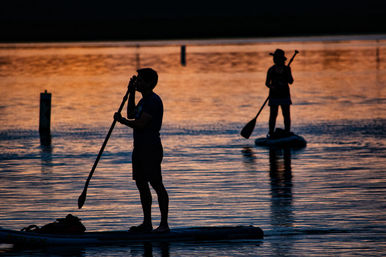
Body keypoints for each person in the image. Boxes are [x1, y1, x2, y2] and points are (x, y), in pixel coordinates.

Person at [114, 68, 169, 233]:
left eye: (140, 80)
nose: (137, 82)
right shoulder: (143, 101)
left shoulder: (152, 101)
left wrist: (122, 121)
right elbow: (132, 114)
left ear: (150, 83)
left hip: (150, 148)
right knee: (141, 184)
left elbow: (140, 124)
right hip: (138, 149)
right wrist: (131, 92)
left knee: (156, 184)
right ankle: (147, 223)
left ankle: (164, 225)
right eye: (137, 80)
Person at [265, 49, 294, 138]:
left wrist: (287, 73)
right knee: (273, 115)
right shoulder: (271, 70)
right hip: (274, 96)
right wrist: (272, 87)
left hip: (285, 95)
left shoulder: (287, 69)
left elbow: (291, 81)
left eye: (276, 58)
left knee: (286, 114)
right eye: (274, 58)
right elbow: (267, 83)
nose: (274, 60)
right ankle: (271, 132)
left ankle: (287, 131)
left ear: (281, 59)